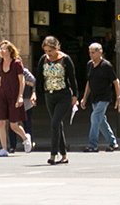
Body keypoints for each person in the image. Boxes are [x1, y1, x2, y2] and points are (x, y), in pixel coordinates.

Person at [36, 35, 79, 164]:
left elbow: (72, 78)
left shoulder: (65, 59)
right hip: (49, 95)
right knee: (57, 125)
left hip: (63, 95)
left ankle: (53, 154)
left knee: (55, 123)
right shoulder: (43, 60)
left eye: (50, 51)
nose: (48, 54)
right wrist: (35, 94)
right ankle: (64, 155)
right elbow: (39, 78)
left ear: (56, 48)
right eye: (46, 51)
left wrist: (75, 95)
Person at [80, 40, 120, 151]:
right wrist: (84, 98)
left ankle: (92, 145)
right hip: (94, 97)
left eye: (93, 52)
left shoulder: (106, 65)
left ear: (100, 52)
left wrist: (118, 98)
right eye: (90, 52)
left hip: (104, 97)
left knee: (94, 117)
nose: (91, 54)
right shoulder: (89, 65)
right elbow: (89, 82)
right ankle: (113, 142)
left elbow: (115, 81)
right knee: (101, 121)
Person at [0, 39, 32, 156]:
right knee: (0, 122)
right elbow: (0, 81)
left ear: (9, 51)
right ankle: (4, 149)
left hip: (14, 96)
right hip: (2, 96)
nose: (1, 51)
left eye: (3, 48)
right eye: (0, 49)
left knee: (13, 125)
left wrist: (20, 96)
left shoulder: (16, 64)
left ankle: (25, 137)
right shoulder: (0, 65)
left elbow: (22, 81)